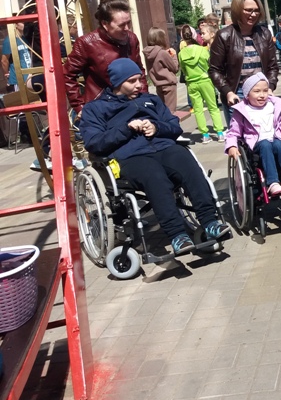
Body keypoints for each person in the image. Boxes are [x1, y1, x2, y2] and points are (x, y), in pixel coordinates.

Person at [80, 58, 229, 255]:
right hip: (131, 156)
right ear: (116, 82)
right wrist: (126, 128)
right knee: (155, 176)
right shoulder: (96, 109)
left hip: (164, 147)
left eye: (139, 79)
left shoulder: (150, 100)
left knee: (187, 164)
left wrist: (157, 127)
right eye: (131, 81)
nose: (138, 85)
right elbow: (94, 142)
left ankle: (210, 222)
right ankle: (177, 235)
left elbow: (174, 126)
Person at [225, 73, 281, 197]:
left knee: (279, 144)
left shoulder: (275, 105)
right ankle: (273, 182)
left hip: (276, 139)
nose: (262, 95)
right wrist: (232, 146)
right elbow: (233, 132)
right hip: (257, 144)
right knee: (265, 144)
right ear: (247, 94)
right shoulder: (242, 111)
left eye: (265, 90)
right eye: (257, 91)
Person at [63, 0, 146, 116]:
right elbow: (68, 74)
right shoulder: (87, 43)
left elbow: (140, 70)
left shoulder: (132, 39)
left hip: (133, 103)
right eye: (122, 25)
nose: (127, 28)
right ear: (105, 24)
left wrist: (144, 97)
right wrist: (79, 106)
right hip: (103, 108)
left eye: (129, 23)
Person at [208, 0, 279, 125]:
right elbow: (214, 70)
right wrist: (228, 92)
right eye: (248, 10)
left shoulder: (264, 34)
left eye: (256, 10)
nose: (253, 14)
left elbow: (272, 66)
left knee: (263, 133)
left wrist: (269, 88)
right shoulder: (224, 35)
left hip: (261, 92)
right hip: (237, 94)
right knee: (239, 135)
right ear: (237, 10)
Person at [179, 25, 225, 143]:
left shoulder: (181, 54)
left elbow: (183, 70)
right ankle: (220, 133)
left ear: (182, 37)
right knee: (213, 107)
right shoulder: (202, 50)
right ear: (195, 35)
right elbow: (209, 65)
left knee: (198, 110)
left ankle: (204, 135)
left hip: (191, 83)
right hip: (205, 81)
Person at [143, 27, 179, 113]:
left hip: (158, 84)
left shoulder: (147, 53)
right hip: (169, 84)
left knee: (162, 110)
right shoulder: (162, 53)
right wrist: (174, 56)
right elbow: (175, 68)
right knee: (170, 111)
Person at [1, 21, 32, 92]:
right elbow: (4, 61)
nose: (25, 25)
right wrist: (7, 74)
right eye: (22, 23)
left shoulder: (24, 38)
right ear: (16, 25)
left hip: (29, 75)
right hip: (17, 79)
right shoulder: (9, 40)